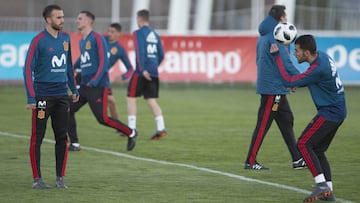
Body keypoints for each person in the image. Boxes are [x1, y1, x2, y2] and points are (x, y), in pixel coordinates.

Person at [271, 35, 346, 202]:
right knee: (317, 150)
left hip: (330, 112)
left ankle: (321, 185)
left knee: (303, 144)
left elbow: (288, 81)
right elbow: (314, 78)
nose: (294, 54)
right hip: (338, 110)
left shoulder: (317, 69)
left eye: (296, 51)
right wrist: (300, 82)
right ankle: (329, 193)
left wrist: (277, 57)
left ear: (306, 52)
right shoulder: (323, 57)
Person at [244, 5, 306, 170]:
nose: (286, 19)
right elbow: (285, 61)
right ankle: (250, 161)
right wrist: (297, 79)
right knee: (263, 125)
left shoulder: (264, 35)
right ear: (281, 18)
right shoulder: (277, 35)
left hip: (275, 87)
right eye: (284, 16)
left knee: (287, 121)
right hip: (273, 89)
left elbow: (261, 61)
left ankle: (297, 159)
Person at [23, 4, 79, 189]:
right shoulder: (38, 40)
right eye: (58, 18)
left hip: (62, 98)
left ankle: (59, 178)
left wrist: (74, 89)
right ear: (48, 20)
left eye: (63, 17)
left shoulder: (65, 38)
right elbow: (27, 69)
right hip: (42, 100)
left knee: (62, 137)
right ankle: (37, 179)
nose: (62, 20)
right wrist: (31, 98)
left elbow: (69, 66)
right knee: (37, 137)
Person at [67, 11, 137, 151]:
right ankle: (74, 143)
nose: (77, 21)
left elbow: (104, 63)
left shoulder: (97, 38)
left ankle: (131, 132)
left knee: (103, 119)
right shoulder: (83, 41)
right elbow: (82, 59)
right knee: (67, 108)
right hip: (84, 85)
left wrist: (95, 81)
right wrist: (70, 68)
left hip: (97, 85)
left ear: (87, 21)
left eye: (80, 19)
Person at [126, 9, 166, 140]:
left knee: (130, 98)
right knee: (151, 100)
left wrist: (143, 70)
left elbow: (140, 52)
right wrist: (153, 67)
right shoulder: (155, 34)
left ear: (139, 19)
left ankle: (131, 129)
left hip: (141, 72)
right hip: (153, 71)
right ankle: (161, 128)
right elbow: (161, 55)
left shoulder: (138, 33)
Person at [105, 23, 134, 121]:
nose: (109, 34)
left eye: (112, 32)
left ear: (118, 34)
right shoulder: (101, 40)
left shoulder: (120, 49)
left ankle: (119, 128)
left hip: (103, 78)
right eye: (108, 31)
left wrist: (123, 77)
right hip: (89, 75)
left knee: (111, 102)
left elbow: (130, 69)